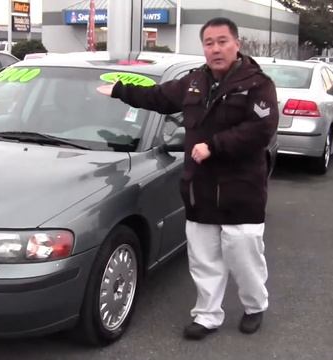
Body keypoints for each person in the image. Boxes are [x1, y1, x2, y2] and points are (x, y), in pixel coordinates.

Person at [97, 17, 278, 340]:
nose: (215, 49)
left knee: (243, 252)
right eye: (209, 43)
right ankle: (208, 314)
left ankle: (254, 305)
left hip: (242, 188)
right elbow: (158, 97)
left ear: (237, 44)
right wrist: (118, 91)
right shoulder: (194, 81)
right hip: (200, 187)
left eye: (222, 41)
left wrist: (215, 146)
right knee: (203, 257)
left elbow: (260, 129)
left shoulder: (258, 84)